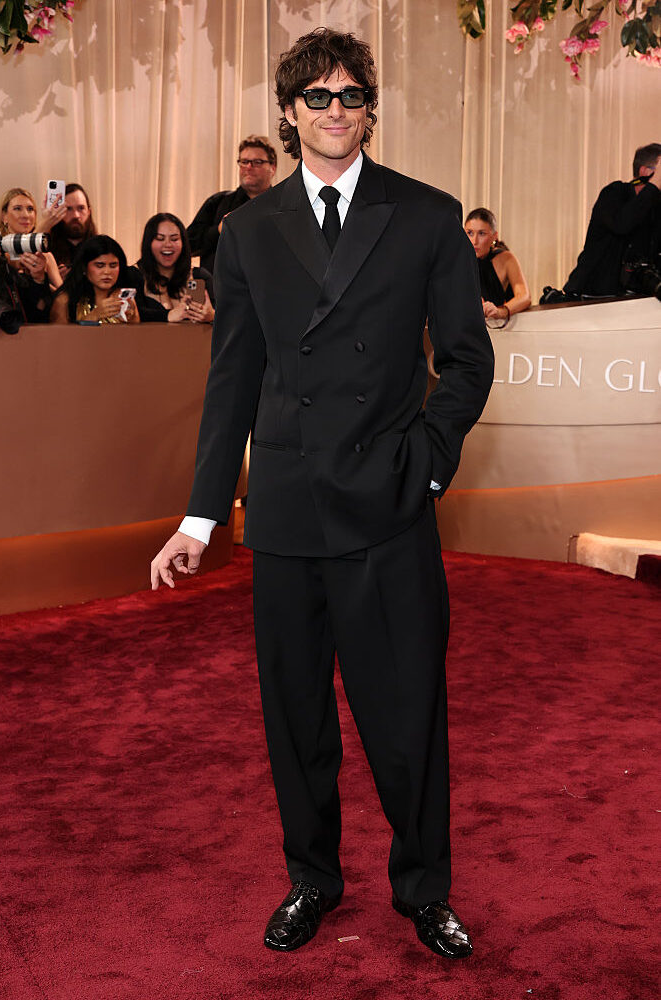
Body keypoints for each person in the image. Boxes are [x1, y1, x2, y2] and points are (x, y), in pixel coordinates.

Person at [151, 28, 494, 959]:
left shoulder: (425, 216)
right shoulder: (249, 232)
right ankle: (312, 879)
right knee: (295, 715)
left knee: (404, 711)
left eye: (350, 96)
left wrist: (426, 460)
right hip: (292, 513)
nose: (334, 111)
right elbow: (233, 382)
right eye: (317, 97)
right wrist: (200, 514)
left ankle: (424, 890)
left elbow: (465, 360)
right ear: (290, 111)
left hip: (388, 506)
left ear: (369, 110)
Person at [563, 142, 661, 298]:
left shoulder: (655, 206)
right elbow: (621, 225)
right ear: (645, 172)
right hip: (592, 297)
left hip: (635, 299)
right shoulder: (614, 193)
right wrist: (653, 185)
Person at [186, 135, 277, 272]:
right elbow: (188, 245)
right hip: (221, 291)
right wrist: (219, 230)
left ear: (273, 167)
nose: (248, 167)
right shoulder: (217, 203)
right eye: (244, 161)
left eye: (257, 162)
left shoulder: (286, 206)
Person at [133, 213, 214, 323]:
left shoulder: (200, 275)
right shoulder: (133, 275)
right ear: (148, 243)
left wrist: (212, 316)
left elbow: (228, 313)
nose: (168, 244)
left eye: (174, 239)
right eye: (160, 239)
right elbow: (130, 314)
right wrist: (168, 315)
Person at [49, 235, 139, 325]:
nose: (107, 272)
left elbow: (138, 335)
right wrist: (93, 316)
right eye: (100, 265)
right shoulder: (64, 300)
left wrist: (133, 318)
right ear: (84, 267)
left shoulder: (124, 298)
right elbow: (59, 337)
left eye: (113, 266)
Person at [464, 208, 530, 323]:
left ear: (494, 236)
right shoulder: (458, 260)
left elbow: (525, 297)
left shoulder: (506, 259)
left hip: (502, 330)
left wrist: (500, 312)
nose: (474, 241)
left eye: (482, 233)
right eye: (470, 233)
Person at [0, 187, 63, 290]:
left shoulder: (46, 256)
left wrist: (44, 284)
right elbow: (18, 260)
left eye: (30, 209)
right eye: (17, 208)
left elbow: (63, 297)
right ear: (4, 216)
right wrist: (44, 225)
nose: (26, 215)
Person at [48, 183, 98, 280]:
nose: (75, 215)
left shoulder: (101, 249)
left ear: (89, 212)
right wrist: (53, 277)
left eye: (81, 208)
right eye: (68, 209)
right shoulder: (47, 251)